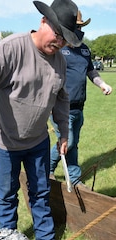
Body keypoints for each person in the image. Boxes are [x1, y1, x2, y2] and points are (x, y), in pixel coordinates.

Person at [0, 0, 81, 240]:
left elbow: (62, 99)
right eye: (58, 34)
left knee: (40, 192)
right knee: (7, 196)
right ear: (43, 22)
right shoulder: (11, 48)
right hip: (4, 142)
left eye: (65, 39)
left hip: (39, 141)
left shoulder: (60, 61)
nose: (60, 42)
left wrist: (63, 132)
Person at [50, 10, 112, 187]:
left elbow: (90, 70)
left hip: (79, 107)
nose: (77, 29)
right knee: (67, 141)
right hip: (61, 106)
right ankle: (48, 169)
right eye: (75, 26)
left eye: (79, 26)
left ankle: (74, 177)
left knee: (73, 142)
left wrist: (101, 83)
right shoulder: (59, 48)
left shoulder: (85, 49)